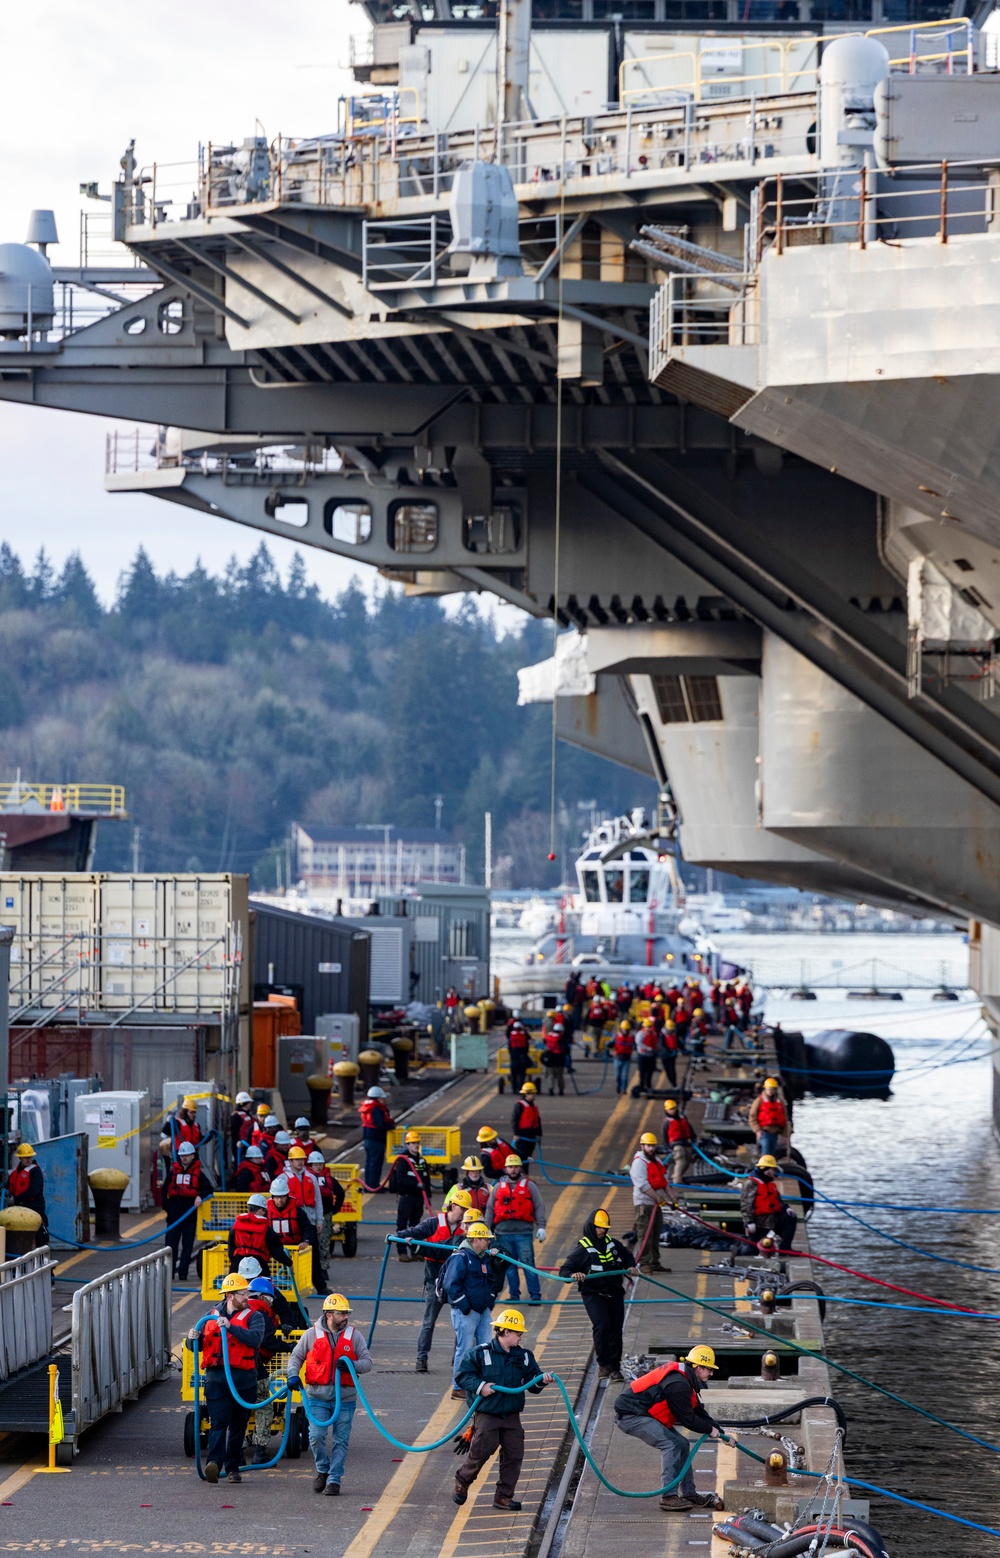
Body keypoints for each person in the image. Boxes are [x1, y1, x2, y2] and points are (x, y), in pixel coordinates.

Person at [453, 1307, 553, 1512]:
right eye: (518, 1333)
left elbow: (532, 1385)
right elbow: (463, 1376)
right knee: (482, 1451)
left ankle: (504, 1497)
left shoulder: (524, 1356)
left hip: (511, 1414)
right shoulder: (479, 1354)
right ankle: (463, 1479)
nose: (521, 1337)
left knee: (514, 1455)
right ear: (506, 1332)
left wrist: (542, 1381)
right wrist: (482, 1387)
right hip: (488, 1413)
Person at [613, 1345, 725, 1513]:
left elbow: (697, 1410)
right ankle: (668, 1497)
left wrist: (720, 1432)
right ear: (699, 1367)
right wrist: (710, 1430)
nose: (711, 1374)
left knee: (682, 1444)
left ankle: (689, 1494)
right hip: (631, 1416)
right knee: (671, 1444)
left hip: (644, 1413)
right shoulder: (679, 1384)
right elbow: (688, 1419)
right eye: (709, 1370)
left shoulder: (686, 1378)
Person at [287, 1292, 373, 1497]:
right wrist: (292, 1375)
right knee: (316, 1436)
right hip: (317, 1397)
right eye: (341, 1313)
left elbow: (367, 1362)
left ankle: (334, 1479)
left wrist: (352, 1364)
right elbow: (296, 1357)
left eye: (346, 1314)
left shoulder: (354, 1336)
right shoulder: (311, 1335)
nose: (345, 1317)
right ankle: (322, 1469)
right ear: (328, 1315)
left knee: (341, 1440)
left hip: (345, 1398)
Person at [189, 1272, 265, 1485]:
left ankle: (233, 1467)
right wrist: (190, 1339)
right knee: (218, 1423)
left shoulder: (254, 1316)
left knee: (238, 1425)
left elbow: (255, 1339)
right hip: (216, 1378)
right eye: (243, 1293)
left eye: (247, 1293)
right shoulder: (210, 1315)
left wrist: (231, 1327)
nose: (247, 1297)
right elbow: (197, 1344)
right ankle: (213, 1463)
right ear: (230, 1296)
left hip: (244, 1379)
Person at [398, 1188, 472, 1372]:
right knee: (429, 1322)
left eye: (466, 1210)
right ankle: (421, 1359)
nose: (464, 1214)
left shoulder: (467, 1228)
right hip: (435, 1279)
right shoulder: (433, 1223)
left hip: (457, 1280)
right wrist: (398, 1238)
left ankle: (458, 1359)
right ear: (453, 1206)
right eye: (462, 1209)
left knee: (460, 1323)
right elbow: (413, 1232)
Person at [558, 1209, 635, 1380]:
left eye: (604, 1228)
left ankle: (615, 1368)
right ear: (590, 1227)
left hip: (614, 1293)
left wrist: (631, 1266)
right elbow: (564, 1270)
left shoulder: (614, 1245)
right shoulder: (582, 1250)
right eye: (598, 1227)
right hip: (593, 1294)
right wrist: (573, 1275)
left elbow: (628, 1256)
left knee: (616, 1330)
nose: (602, 1231)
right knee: (602, 1326)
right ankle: (603, 1365)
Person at [443, 1220, 497, 1399]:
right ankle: (459, 1387)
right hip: (467, 1313)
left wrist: (489, 1302)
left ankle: (479, 1384)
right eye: (486, 1239)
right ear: (476, 1240)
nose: (489, 1242)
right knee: (464, 1349)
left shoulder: (483, 1257)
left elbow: (490, 1281)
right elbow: (451, 1284)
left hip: (482, 1311)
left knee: (485, 1347)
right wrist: (466, 1307)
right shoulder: (461, 1257)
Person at [485, 1155, 546, 1305]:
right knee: (509, 1266)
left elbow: (539, 1206)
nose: (513, 1170)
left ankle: (535, 1295)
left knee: (528, 1264)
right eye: (510, 1167)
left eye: (516, 1167)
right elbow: (490, 1208)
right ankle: (514, 1295)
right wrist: (486, 1230)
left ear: (520, 1168)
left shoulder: (530, 1186)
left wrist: (542, 1226)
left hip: (523, 1233)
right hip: (502, 1233)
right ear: (506, 1169)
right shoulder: (498, 1187)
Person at [245, 1274, 288, 1465]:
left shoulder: (233, 1310)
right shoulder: (260, 1314)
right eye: (270, 1299)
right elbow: (268, 1341)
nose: (271, 1304)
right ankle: (259, 1451)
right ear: (262, 1297)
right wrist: (291, 1346)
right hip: (253, 1368)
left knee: (236, 1409)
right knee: (264, 1404)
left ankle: (235, 1451)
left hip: (230, 1368)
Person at [164, 1140, 213, 1281]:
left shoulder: (198, 1173)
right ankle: (169, 1273)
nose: (184, 1158)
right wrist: (167, 1208)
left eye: (187, 1155)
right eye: (182, 1155)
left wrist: (199, 1196)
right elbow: (164, 1190)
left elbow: (208, 1189)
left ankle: (183, 1273)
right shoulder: (173, 1171)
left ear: (193, 1156)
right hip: (174, 1215)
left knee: (188, 1245)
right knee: (170, 1246)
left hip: (190, 1215)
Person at [285, 1145, 328, 1294]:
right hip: (292, 1223)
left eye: (302, 1159)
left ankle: (320, 1286)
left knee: (313, 1254)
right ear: (290, 1161)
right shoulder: (283, 1179)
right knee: (289, 1255)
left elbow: (318, 1200)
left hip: (309, 1221)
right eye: (296, 1160)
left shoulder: (311, 1178)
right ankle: (290, 1284)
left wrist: (319, 1221)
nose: (300, 1162)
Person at [629, 1133, 670, 1275]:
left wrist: (673, 1199)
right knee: (644, 1233)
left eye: (653, 1145)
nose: (651, 1148)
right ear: (642, 1146)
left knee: (655, 1233)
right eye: (649, 1146)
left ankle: (655, 1262)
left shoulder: (656, 1161)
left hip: (655, 1204)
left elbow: (664, 1182)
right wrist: (658, 1198)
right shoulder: (639, 1163)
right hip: (644, 1204)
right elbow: (643, 1185)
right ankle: (645, 1263)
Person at [388, 1131, 431, 1261]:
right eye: (413, 1143)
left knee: (416, 1225)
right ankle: (402, 1252)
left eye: (417, 1143)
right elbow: (400, 1179)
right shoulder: (403, 1160)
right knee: (402, 1224)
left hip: (418, 1198)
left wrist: (428, 1196)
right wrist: (416, 1184)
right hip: (406, 1196)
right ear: (408, 1144)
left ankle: (415, 1250)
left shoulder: (422, 1160)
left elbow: (426, 1179)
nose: (416, 1145)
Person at [741, 1155, 796, 1249]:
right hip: (760, 1222)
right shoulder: (751, 1184)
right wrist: (749, 1222)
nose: (775, 1172)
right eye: (773, 1169)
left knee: (790, 1218)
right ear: (767, 1170)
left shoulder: (769, 1183)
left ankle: (785, 1248)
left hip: (773, 1218)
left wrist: (786, 1208)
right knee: (752, 1249)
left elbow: (777, 1199)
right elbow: (746, 1204)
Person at [228, 1192, 293, 1273]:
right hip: (259, 1266)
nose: (265, 1213)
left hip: (237, 1265)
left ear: (249, 1209)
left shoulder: (235, 1226)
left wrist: (235, 1261)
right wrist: (289, 1263)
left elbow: (231, 1249)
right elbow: (277, 1252)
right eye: (264, 1210)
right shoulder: (267, 1230)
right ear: (260, 1210)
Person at [308, 1150, 345, 1273]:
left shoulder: (329, 1180)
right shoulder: (306, 1179)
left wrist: (334, 1209)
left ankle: (323, 1269)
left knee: (324, 1242)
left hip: (325, 1215)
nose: (318, 1167)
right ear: (310, 1165)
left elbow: (340, 1193)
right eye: (315, 1164)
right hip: (310, 1216)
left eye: (320, 1164)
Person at [266, 1176, 313, 1261]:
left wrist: (306, 1241)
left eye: (282, 1197)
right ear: (272, 1197)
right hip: (273, 1252)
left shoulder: (298, 1211)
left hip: (295, 1250)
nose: (280, 1200)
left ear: (287, 1196)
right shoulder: (266, 1212)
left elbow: (307, 1228)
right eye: (277, 1197)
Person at [8, 1143, 47, 1241]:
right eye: (25, 1157)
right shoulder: (15, 1172)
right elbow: (8, 1185)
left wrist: (16, 1199)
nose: (28, 1159)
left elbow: (33, 1191)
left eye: (29, 1157)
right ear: (20, 1158)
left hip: (34, 1207)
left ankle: (42, 1253)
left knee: (39, 1235)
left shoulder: (35, 1171)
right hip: (20, 1207)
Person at [359, 1086, 395, 1190]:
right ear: (377, 1098)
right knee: (375, 1164)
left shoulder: (368, 1108)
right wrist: (391, 1126)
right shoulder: (376, 1109)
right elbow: (380, 1125)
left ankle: (368, 1185)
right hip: (376, 1140)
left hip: (368, 1139)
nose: (384, 1100)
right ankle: (374, 1186)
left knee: (369, 1163)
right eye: (382, 1098)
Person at [748, 1079, 788, 1159]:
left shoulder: (780, 1102)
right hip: (764, 1133)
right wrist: (757, 1130)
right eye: (769, 1089)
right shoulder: (759, 1100)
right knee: (765, 1154)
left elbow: (784, 1118)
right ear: (765, 1089)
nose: (770, 1091)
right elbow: (752, 1117)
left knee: (773, 1156)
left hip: (776, 1133)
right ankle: (765, 1170)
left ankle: (771, 1170)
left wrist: (785, 1134)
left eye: (772, 1089)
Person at [661, 1100, 695, 1183]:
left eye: (674, 1108)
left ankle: (677, 1175)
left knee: (688, 1160)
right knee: (681, 1160)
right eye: (670, 1109)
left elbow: (689, 1127)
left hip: (686, 1142)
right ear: (666, 1110)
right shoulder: (666, 1122)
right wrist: (667, 1146)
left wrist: (693, 1137)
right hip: (676, 1144)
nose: (673, 1110)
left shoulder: (683, 1117)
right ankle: (677, 1179)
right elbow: (664, 1134)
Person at [511, 1082, 542, 1161]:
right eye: (532, 1093)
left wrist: (539, 1134)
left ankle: (525, 1173)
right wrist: (516, 1133)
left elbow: (537, 1120)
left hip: (531, 1136)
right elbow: (514, 1119)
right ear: (526, 1094)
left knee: (528, 1158)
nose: (534, 1095)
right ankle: (521, 1173)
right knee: (522, 1158)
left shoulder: (533, 1106)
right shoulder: (520, 1105)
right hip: (522, 1136)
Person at [634, 1019, 658, 1097]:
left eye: (650, 1026)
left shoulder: (653, 1033)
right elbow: (638, 1042)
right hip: (643, 1055)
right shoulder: (641, 1033)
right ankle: (642, 1086)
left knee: (650, 1071)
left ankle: (648, 1086)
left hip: (651, 1055)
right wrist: (647, 1048)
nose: (649, 1028)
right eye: (648, 1027)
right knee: (642, 1072)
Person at [230, 1092, 255, 1163]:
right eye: (249, 1103)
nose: (250, 1104)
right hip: (240, 1146)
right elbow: (234, 1131)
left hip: (249, 1145)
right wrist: (237, 1143)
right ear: (246, 1103)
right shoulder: (236, 1116)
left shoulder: (249, 1115)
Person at [612, 1020, 634, 1095]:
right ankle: (618, 1086)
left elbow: (635, 1044)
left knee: (625, 1075)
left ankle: (624, 1089)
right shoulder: (616, 1036)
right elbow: (611, 1043)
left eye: (627, 1029)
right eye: (624, 1029)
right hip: (618, 1058)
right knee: (617, 1075)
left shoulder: (631, 1036)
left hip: (626, 1058)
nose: (626, 1031)